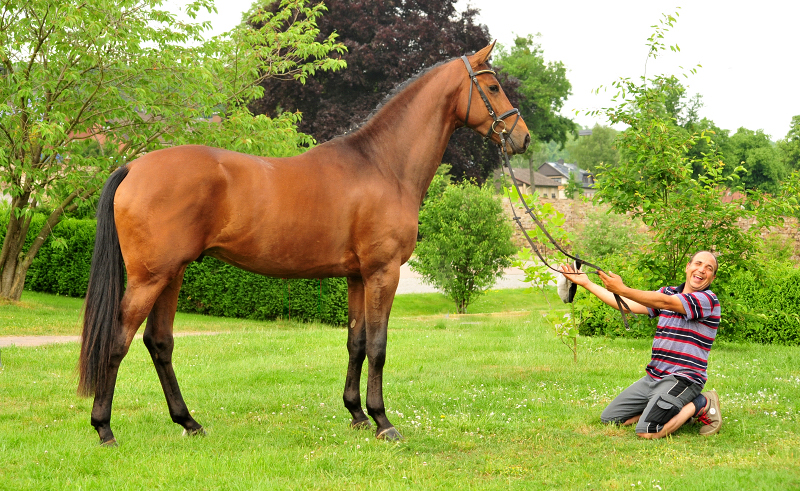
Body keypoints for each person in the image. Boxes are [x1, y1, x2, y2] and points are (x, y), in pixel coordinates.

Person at [561, 250, 722, 439]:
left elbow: (667, 303)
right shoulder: (668, 292)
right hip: (654, 378)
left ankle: (701, 402)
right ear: (688, 267)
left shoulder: (708, 300)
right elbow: (628, 305)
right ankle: (672, 408)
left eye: (708, 268)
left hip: (683, 379)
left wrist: (622, 289)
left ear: (712, 277)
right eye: (698, 264)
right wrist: (587, 283)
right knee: (611, 418)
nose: (701, 270)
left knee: (647, 431)